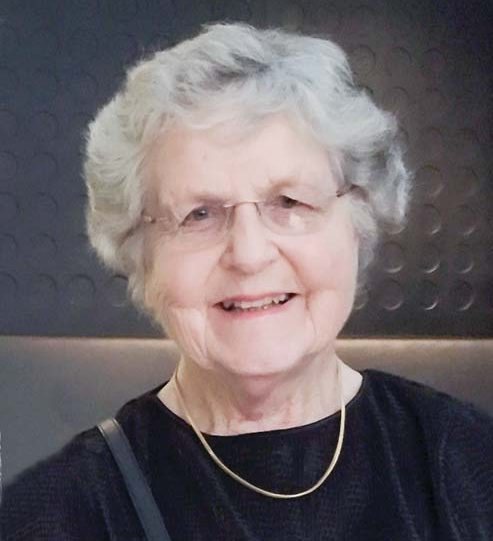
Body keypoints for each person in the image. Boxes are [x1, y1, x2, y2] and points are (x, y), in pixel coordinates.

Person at [1, 22, 492, 541]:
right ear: (142, 254)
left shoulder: (468, 463)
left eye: (290, 202)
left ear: (359, 221)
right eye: (199, 214)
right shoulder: (56, 513)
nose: (250, 254)